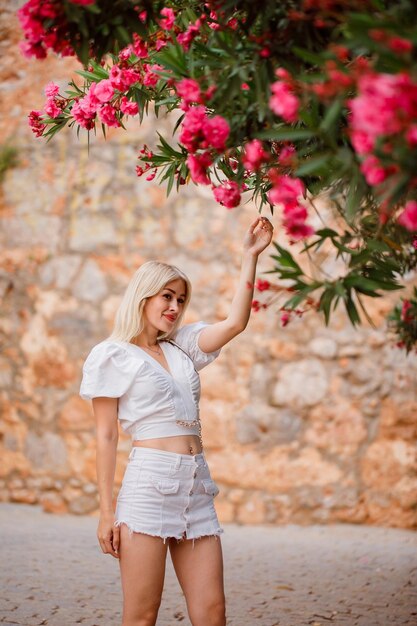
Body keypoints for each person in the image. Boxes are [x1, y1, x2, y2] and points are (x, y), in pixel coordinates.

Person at [79, 215, 274, 626]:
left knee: (211, 611)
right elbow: (105, 437)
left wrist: (249, 257)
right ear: (143, 297)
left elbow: (236, 323)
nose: (174, 307)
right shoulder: (111, 354)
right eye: (166, 296)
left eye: (181, 300)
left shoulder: (183, 346)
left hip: (197, 485)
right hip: (148, 487)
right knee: (142, 614)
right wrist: (104, 511)